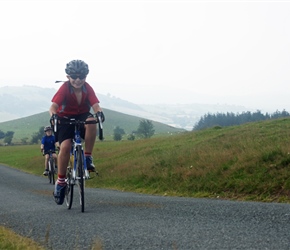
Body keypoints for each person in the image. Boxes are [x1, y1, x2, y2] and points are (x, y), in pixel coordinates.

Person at [49, 59, 105, 205]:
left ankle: (87, 157)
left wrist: (99, 113)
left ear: (86, 77)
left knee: (92, 120)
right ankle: (61, 181)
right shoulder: (64, 88)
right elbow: (53, 106)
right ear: (68, 76)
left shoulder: (87, 88)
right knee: (66, 147)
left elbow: (95, 105)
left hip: (81, 116)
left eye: (82, 77)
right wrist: (54, 116)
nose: (78, 80)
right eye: (74, 77)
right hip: (64, 118)